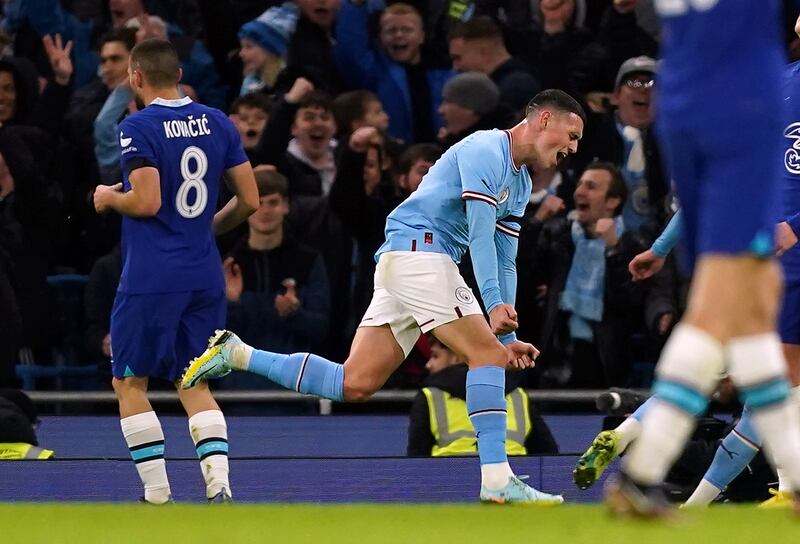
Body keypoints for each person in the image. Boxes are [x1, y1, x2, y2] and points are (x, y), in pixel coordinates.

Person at [182, 88, 586, 504]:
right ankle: (497, 478)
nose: (573, 148)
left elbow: (505, 257)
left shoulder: (518, 181)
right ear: (543, 121)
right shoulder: (487, 147)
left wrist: (504, 333)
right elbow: (480, 235)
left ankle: (237, 354)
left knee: (355, 382)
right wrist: (492, 312)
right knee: (485, 357)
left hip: (407, 261)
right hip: (422, 255)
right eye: (571, 135)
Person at [605, 0, 800, 517]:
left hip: (686, 97)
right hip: (744, 107)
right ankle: (641, 472)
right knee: (724, 302)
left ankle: (797, 480)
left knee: (752, 303)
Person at [92, 38, 258, 504]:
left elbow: (146, 201)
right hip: (203, 272)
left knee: (129, 381)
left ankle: (157, 494)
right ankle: (219, 484)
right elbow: (250, 200)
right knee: (193, 379)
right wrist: (207, 230)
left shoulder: (136, 127)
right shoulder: (218, 121)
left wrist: (108, 197)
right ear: (179, 72)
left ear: (135, 77)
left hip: (151, 276)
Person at [407, 337, 558, 457]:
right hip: (513, 482)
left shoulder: (429, 396)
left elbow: (417, 460)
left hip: (448, 484)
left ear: (459, 357)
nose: (428, 365)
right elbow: (548, 454)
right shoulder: (518, 394)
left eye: (435, 356)